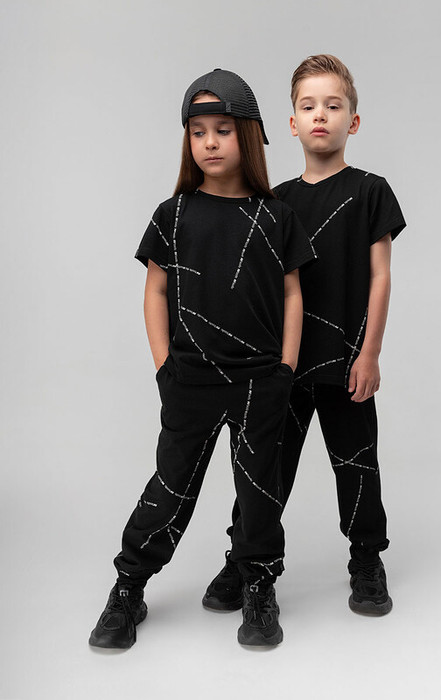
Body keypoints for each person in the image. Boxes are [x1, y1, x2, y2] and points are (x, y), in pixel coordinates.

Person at [88, 68, 316, 650]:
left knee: (259, 493)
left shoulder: (277, 217)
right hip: (189, 379)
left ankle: (258, 584)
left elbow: (292, 294)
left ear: (249, 135)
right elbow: (155, 291)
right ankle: (128, 586)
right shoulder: (173, 214)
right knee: (170, 488)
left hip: (261, 381)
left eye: (222, 130)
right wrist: (164, 366)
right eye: (197, 132)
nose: (209, 142)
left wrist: (285, 370)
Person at [204, 55, 406, 616]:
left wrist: (370, 353)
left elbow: (381, 277)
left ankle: (366, 559)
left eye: (333, 106)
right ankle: (243, 558)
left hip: (346, 360)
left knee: (357, 463)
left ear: (352, 121)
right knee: (265, 466)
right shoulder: (276, 201)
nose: (321, 115)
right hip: (283, 364)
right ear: (292, 123)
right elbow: (260, 285)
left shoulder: (370, 192)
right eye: (308, 106)